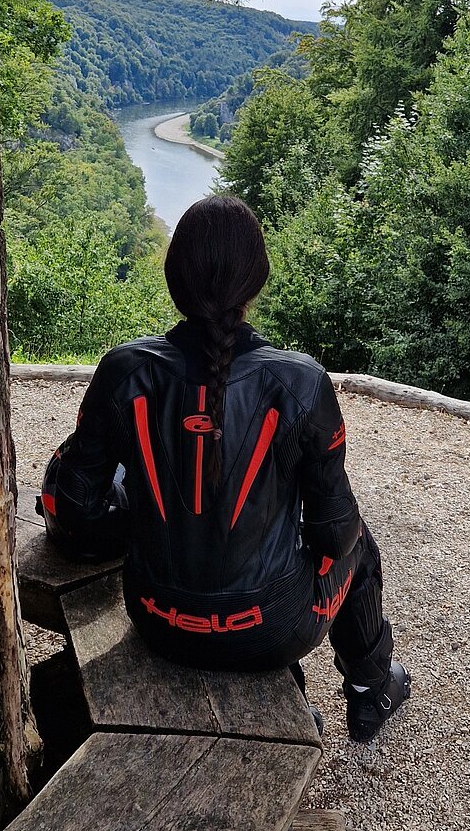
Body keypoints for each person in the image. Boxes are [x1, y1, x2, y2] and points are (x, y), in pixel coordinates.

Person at [38, 193, 411, 742]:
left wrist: (148, 523)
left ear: (174, 277)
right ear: (256, 281)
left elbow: (74, 506)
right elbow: (335, 533)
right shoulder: (300, 382)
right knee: (359, 541)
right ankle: (370, 687)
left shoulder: (124, 371)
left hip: (155, 617)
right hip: (273, 626)